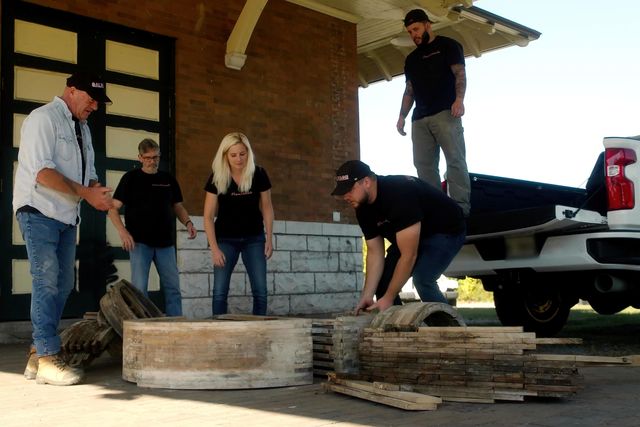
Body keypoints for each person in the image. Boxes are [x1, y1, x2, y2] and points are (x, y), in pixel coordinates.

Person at [13, 71, 114, 385]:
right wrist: (86, 194)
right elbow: (42, 173)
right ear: (72, 90)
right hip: (38, 210)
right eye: (91, 99)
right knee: (46, 281)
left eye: (98, 101)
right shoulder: (42, 119)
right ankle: (47, 357)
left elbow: (89, 175)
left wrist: (100, 193)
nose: (95, 106)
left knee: (64, 283)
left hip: (67, 216)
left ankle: (37, 353)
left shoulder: (83, 129)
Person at [331, 160, 466, 314]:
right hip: (409, 235)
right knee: (383, 285)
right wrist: (367, 295)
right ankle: (398, 327)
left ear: (366, 182)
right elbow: (375, 253)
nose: (345, 196)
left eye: (349, 189)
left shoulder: (399, 192)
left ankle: (448, 326)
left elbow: (409, 256)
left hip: (445, 230)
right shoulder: (362, 207)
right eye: (342, 192)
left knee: (423, 280)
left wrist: (389, 297)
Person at [107, 138, 196, 316]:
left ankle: (176, 325)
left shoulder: (168, 179)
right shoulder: (130, 178)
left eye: (155, 157)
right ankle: (143, 327)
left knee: (173, 288)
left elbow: (178, 206)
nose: (152, 161)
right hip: (139, 243)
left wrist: (188, 222)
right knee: (139, 291)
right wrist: (123, 232)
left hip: (165, 244)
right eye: (147, 158)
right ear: (140, 157)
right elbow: (112, 208)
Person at [396, 8, 471, 216]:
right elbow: (409, 90)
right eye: (410, 32)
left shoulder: (448, 45)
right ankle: (435, 211)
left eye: (416, 29)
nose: (414, 35)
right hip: (419, 119)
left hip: (446, 112)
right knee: (423, 166)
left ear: (427, 25)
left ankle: (460, 209)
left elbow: (460, 74)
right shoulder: (411, 59)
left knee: (455, 159)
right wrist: (402, 116)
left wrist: (459, 100)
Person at [203, 132, 274, 316]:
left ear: (248, 152)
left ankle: (258, 329)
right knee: (219, 292)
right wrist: (214, 248)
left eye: (242, 154)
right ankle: (219, 329)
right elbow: (208, 216)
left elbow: (267, 207)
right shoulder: (216, 177)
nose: (239, 159)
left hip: (254, 239)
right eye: (233, 155)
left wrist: (269, 238)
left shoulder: (259, 174)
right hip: (225, 240)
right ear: (225, 155)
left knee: (260, 291)